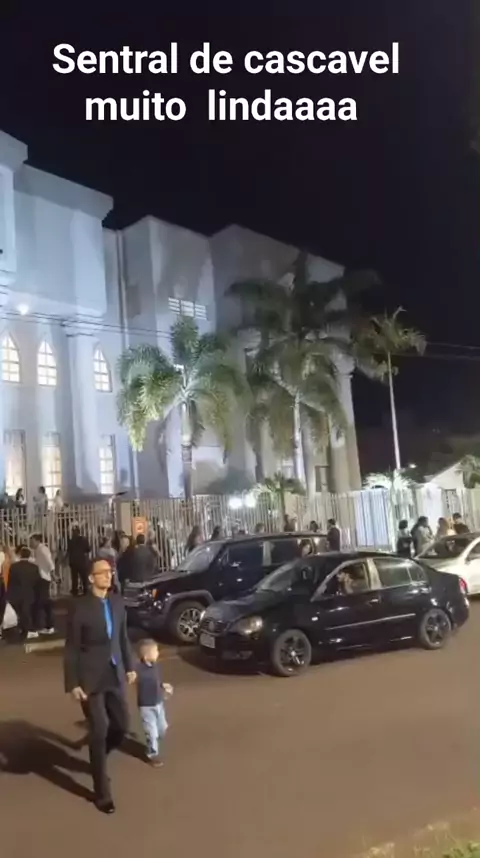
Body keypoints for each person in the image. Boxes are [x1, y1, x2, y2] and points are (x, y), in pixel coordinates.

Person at [64, 557, 136, 814]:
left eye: (110, 571)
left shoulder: (117, 602)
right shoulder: (80, 607)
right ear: (91, 578)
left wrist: (130, 666)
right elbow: (72, 647)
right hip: (90, 677)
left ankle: (99, 757)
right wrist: (73, 683)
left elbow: (122, 637)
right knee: (99, 728)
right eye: (102, 572)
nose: (108, 575)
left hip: (114, 673)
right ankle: (102, 793)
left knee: (122, 725)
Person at [136, 638, 172, 767]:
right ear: (146, 656)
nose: (158, 653)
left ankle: (155, 739)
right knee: (151, 732)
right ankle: (152, 755)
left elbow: (157, 680)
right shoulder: (138, 669)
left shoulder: (156, 666)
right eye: (155, 651)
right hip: (146, 706)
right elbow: (129, 675)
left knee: (162, 728)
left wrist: (164, 686)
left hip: (158, 703)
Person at [7, 546, 41, 640]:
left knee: (21, 612)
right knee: (27, 612)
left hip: (16, 593)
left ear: (20, 555)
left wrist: (9, 593)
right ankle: (28, 630)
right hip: (29, 592)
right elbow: (37, 581)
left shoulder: (14, 567)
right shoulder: (34, 567)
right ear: (29, 556)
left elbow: (10, 581)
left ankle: (25, 629)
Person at [29, 534, 55, 634]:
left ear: (37, 541)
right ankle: (47, 625)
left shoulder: (42, 549)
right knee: (43, 602)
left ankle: (47, 625)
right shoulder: (38, 550)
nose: (30, 543)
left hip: (43, 578)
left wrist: (53, 574)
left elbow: (49, 562)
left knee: (42, 602)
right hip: (41, 578)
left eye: (32, 541)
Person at [68, 526, 91, 597]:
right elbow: (88, 549)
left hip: (73, 561)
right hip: (82, 561)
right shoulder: (84, 540)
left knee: (74, 577)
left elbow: (69, 551)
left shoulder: (71, 541)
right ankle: (85, 590)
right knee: (83, 576)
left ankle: (74, 590)